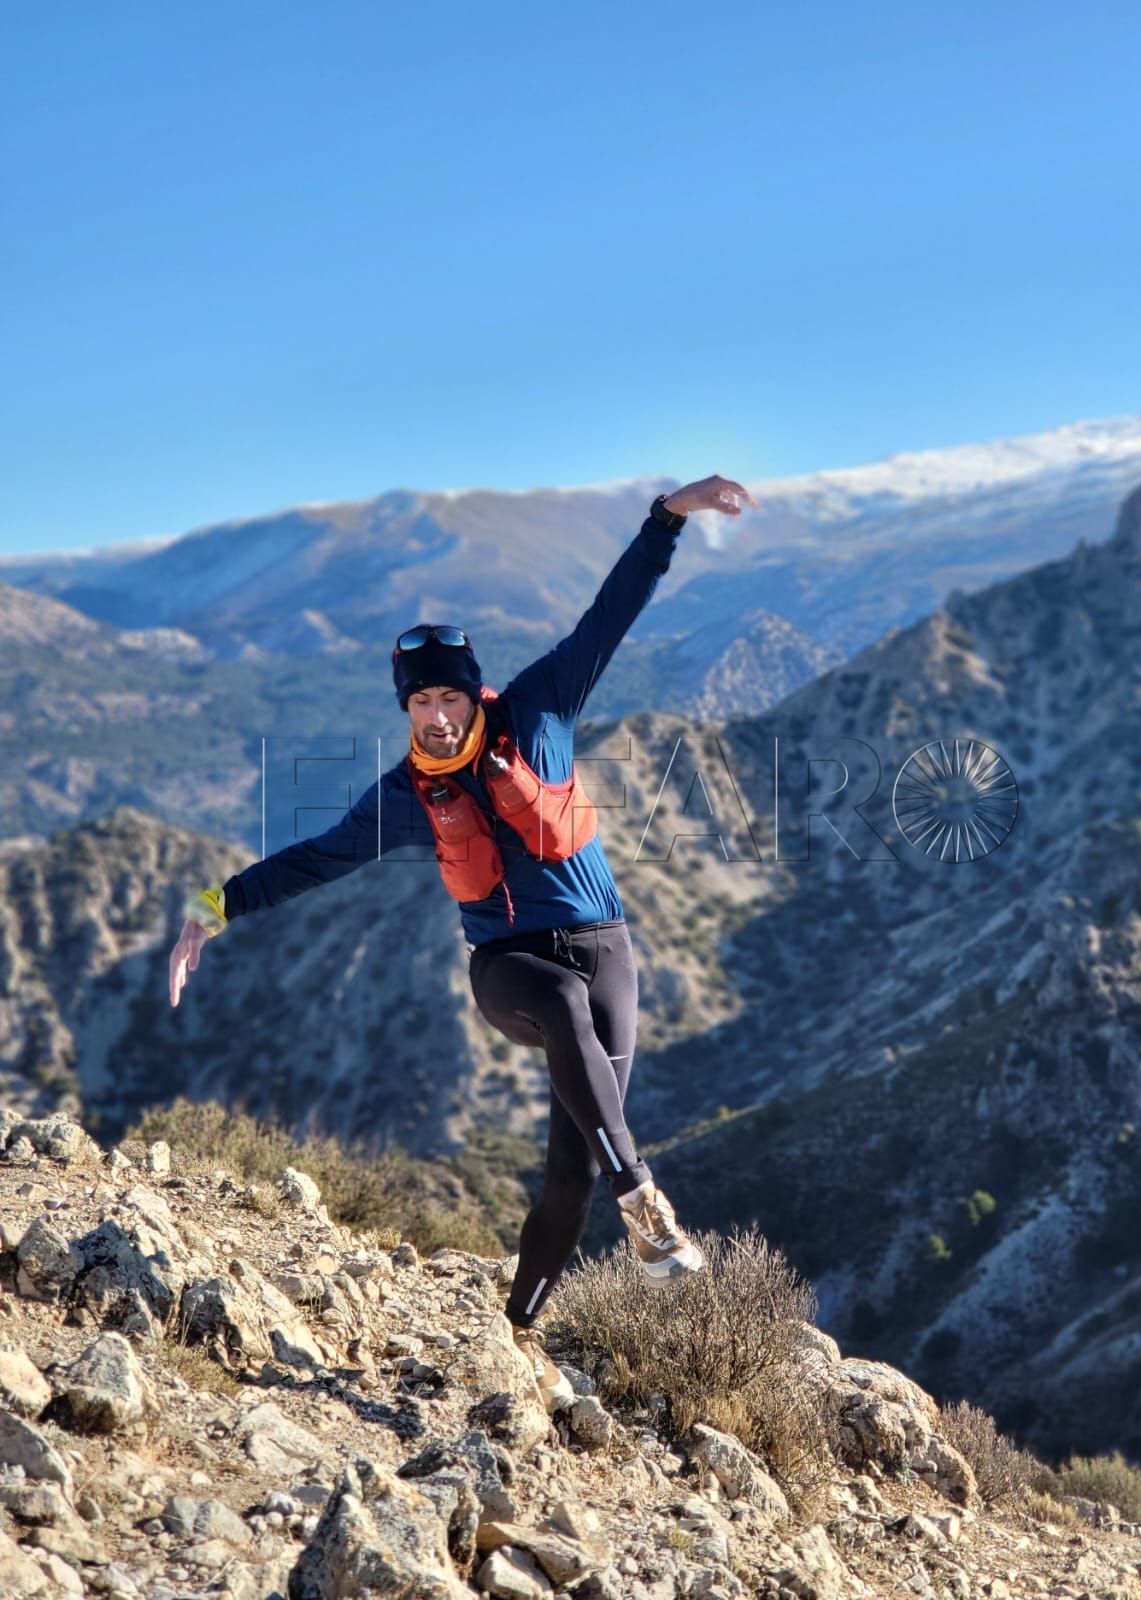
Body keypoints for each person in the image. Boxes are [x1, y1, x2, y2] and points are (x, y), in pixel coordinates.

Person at [169, 474, 758, 1412]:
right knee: (561, 1018)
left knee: (567, 1174)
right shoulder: (405, 796)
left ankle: (517, 1327)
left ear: (470, 691)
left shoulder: (540, 710)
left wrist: (666, 519)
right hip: (510, 971)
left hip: (607, 951)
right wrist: (214, 906)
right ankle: (645, 1205)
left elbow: (611, 613)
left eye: (446, 695)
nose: (435, 715)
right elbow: (314, 860)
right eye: (418, 704)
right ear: (403, 711)